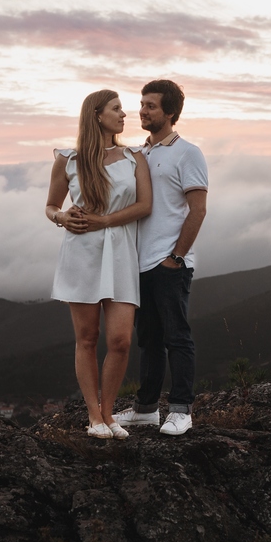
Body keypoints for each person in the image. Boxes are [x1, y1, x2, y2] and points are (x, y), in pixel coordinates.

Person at [46, 90, 153, 439]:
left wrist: (106, 222)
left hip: (120, 250)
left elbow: (144, 206)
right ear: (96, 115)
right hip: (82, 251)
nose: (125, 115)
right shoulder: (68, 159)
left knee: (120, 339)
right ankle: (95, 416)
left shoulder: (134, 156)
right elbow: (50, 206)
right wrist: (62, 217)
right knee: (88, 338)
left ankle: (109, 413)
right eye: (116, 109)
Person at [114, 80, 208, 436]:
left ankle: (182, 409)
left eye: (151, 106)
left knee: (177, 336)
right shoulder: (142, 153)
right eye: (142, 104)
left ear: (170, 112)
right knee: (148, 339)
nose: (142, 111)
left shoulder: (188, 152)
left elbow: (197, 210)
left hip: (169, 263)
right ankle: (147, 409)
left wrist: (176, 257)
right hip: (138, 263)